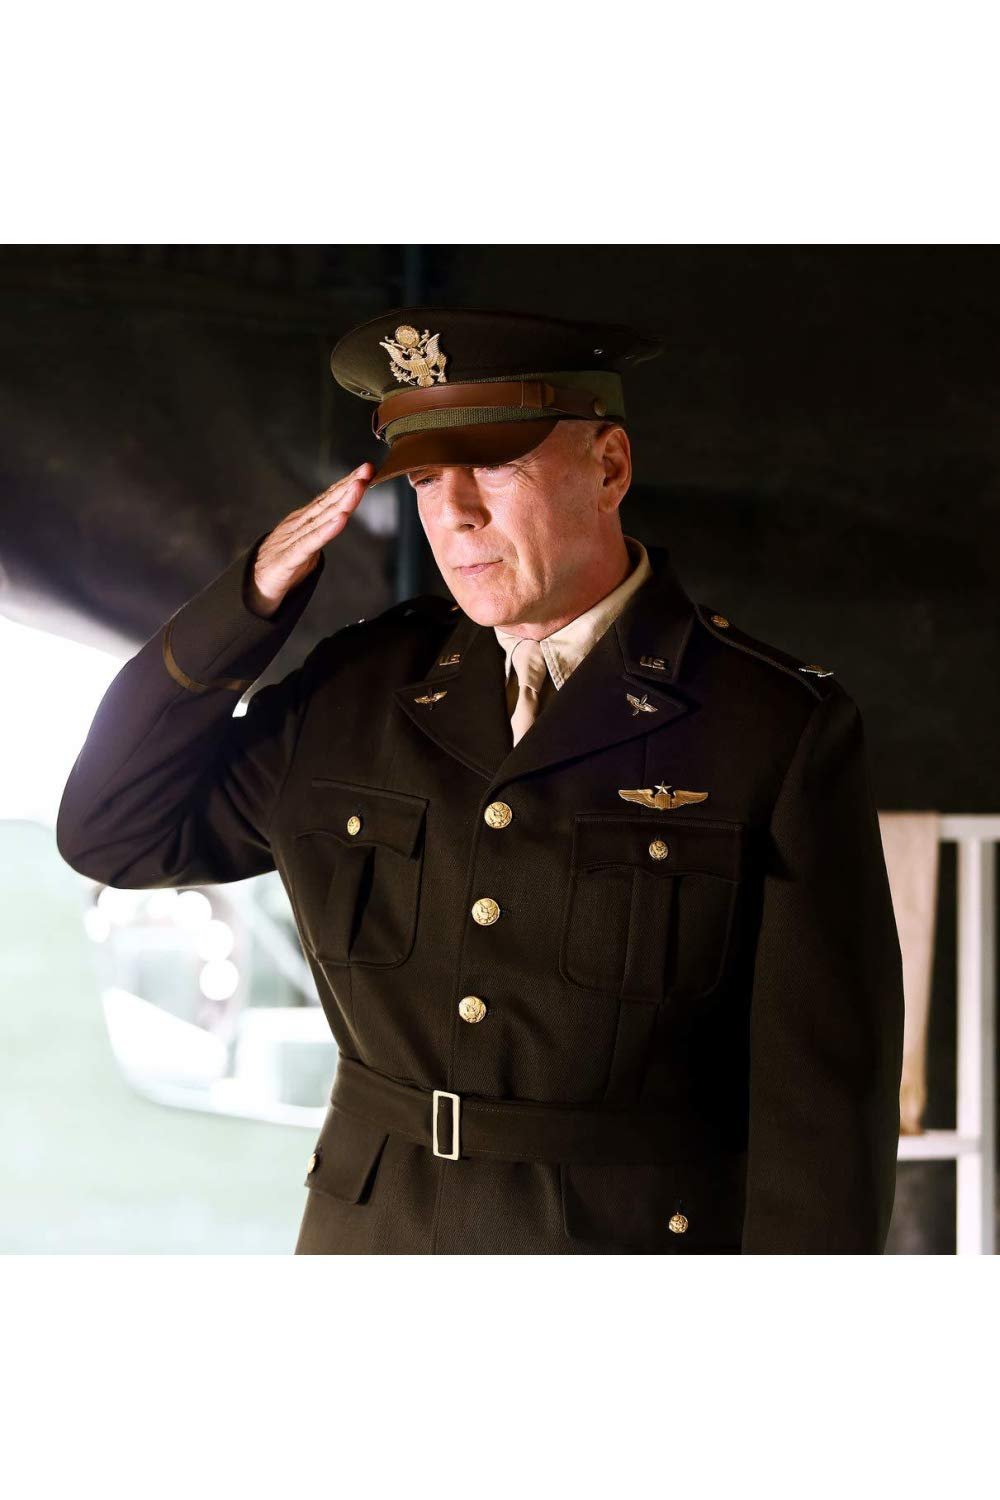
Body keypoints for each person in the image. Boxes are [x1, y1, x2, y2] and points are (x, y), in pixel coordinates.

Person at [57, 306, 905, 1254]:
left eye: (495, 466)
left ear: (609, 467)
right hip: (371, 1246)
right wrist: (245, 605)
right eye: (426, 478)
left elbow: (821, 1113)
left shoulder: (770, 725)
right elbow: (114, 832)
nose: (455, 512)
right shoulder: (358, 693)